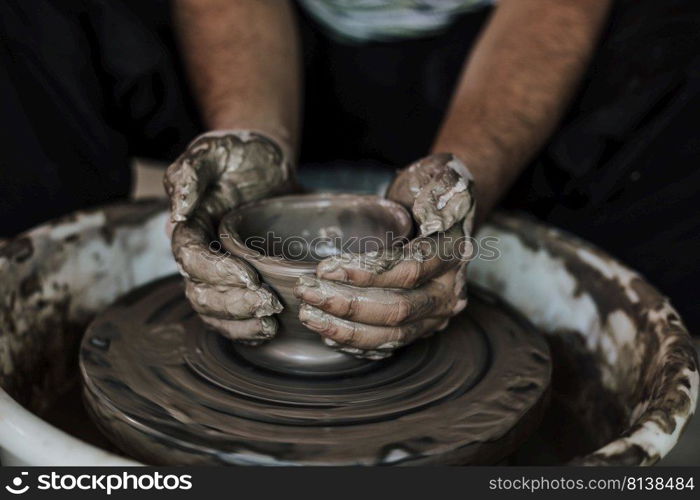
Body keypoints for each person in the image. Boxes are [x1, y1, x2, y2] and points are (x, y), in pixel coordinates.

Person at [2, 0, 699, 355]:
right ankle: (46, 338)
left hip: (490, 56)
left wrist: (463, 175)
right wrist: (252, 136)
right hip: (272, 47)